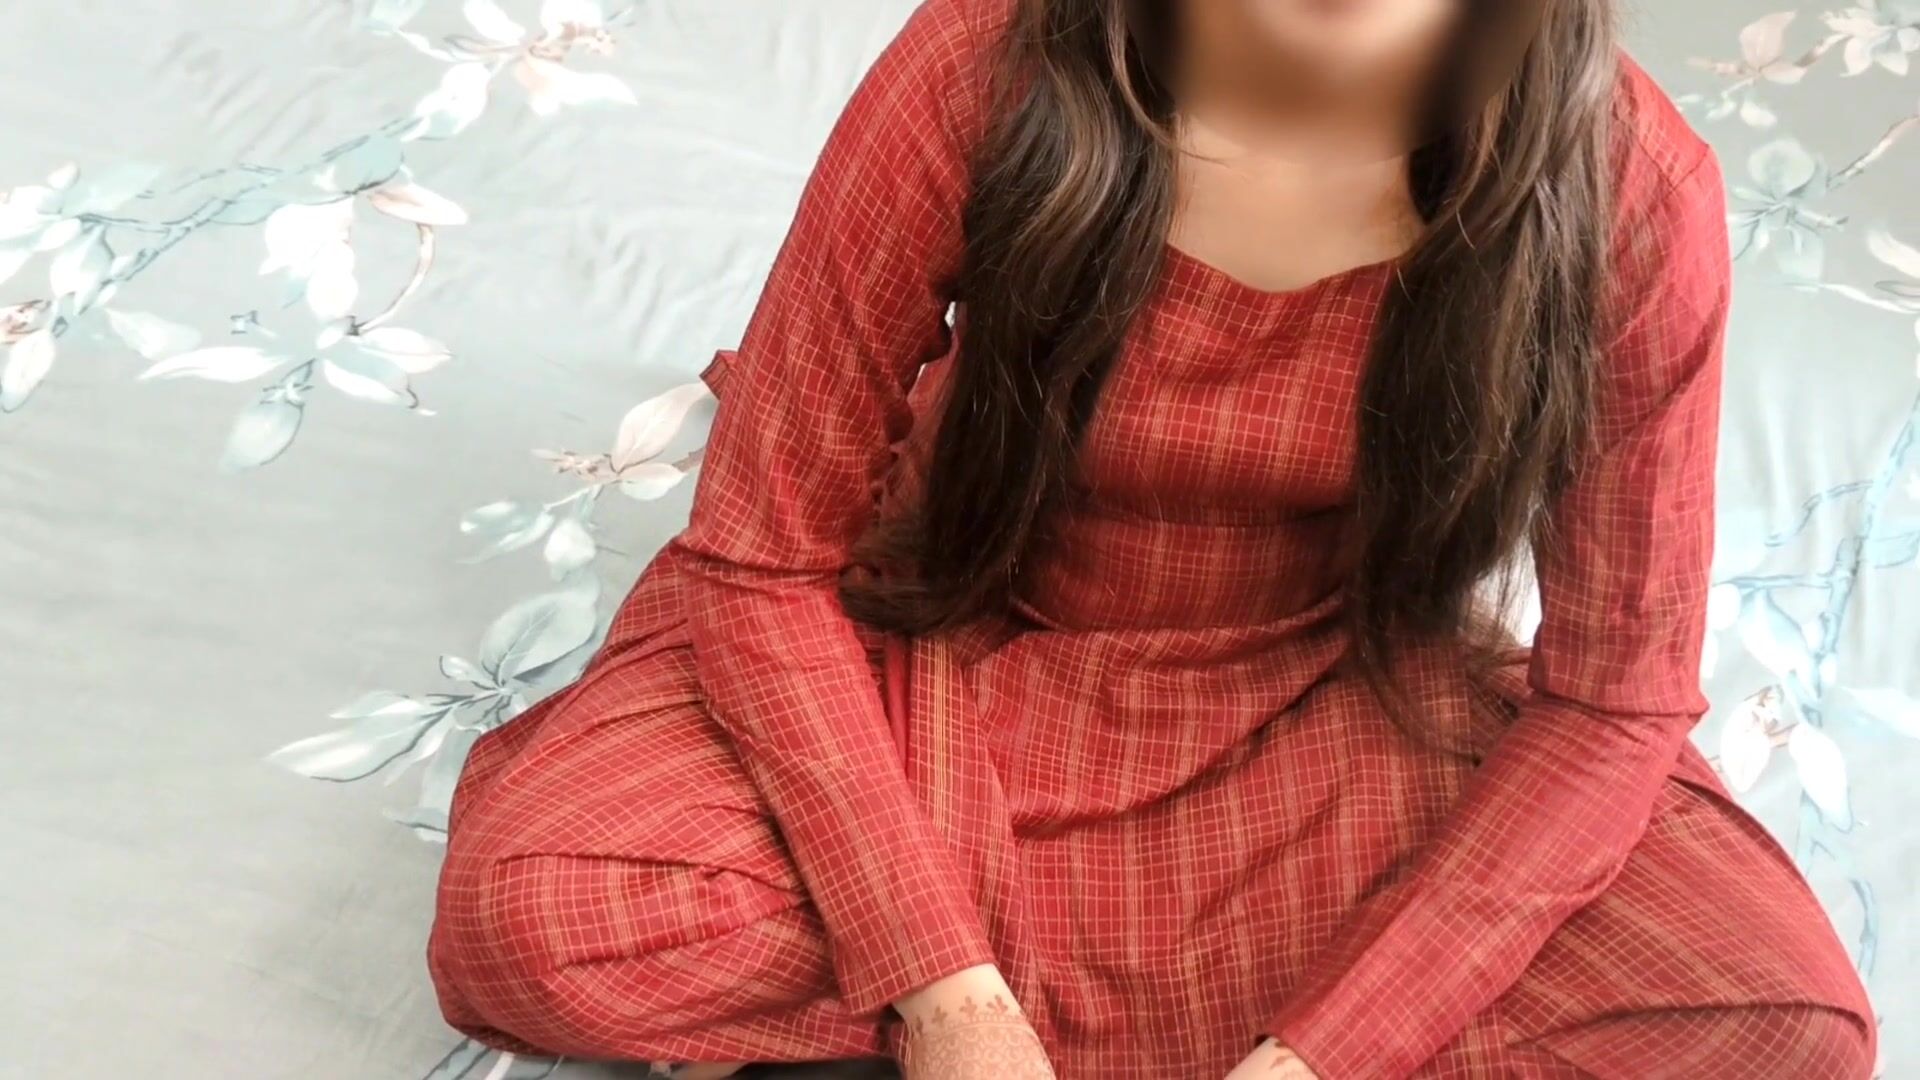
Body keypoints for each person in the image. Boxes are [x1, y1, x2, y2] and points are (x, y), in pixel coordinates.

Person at [424, 0, 1881, 1077]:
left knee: (1779, 1021)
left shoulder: (1632, 186)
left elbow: (1614, 704)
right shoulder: (984, 60)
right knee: (539, 913)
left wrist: (1322, 1056)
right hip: (950, 628)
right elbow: (761, 557)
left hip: (1331, 693)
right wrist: (945, 993)